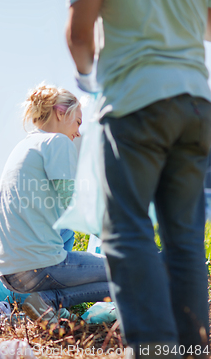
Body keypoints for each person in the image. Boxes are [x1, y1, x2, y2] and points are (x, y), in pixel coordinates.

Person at [67, 0, 211, 357]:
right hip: (196, 103)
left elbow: (80, 35)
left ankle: (155, 350)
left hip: (136, 99)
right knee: (186, 241)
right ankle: (193, 349)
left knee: (127, 230)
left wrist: (88, 78)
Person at [0, 83, 111, 322]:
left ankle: (41, 307)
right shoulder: (57, 142)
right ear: (60, 113)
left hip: (8, 271)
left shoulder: (23, 146)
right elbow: (77, 207)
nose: (78, 131)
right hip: (37, 267)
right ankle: (49, 301)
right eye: (77, 122)